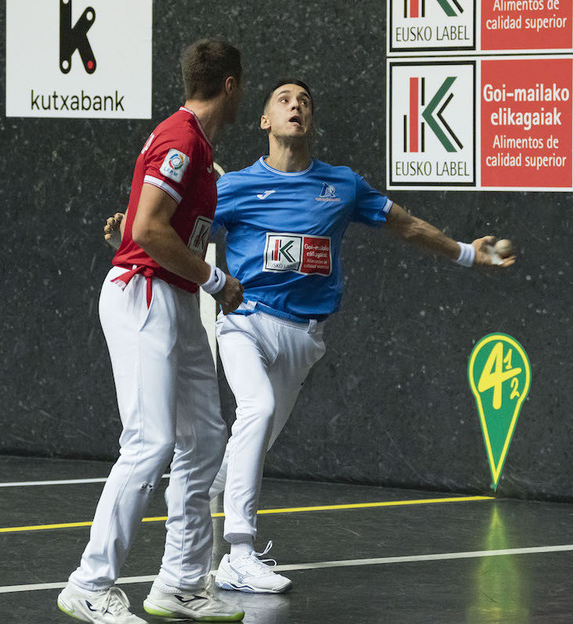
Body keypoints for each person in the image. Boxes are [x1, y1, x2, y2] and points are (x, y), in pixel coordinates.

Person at [207, 79, 516, 594]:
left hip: (303, 336)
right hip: (245, 322)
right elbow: (180, 231)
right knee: (256, 410)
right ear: (265, 121)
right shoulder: (235, 187)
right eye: (284, 100)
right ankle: (239, 553)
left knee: (255, 441)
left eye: (305, 101)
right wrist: (133, 232)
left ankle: (196, 501)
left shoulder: (342, 185)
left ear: (311, 120)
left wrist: (467, 253)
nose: (295, 106)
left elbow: (406, 225)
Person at [57, 39, 246, 624]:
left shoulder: (196, 145)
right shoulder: (181, 137)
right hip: (145, 293)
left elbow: (148, 225)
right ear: (232, 86)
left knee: (205, 439)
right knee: (150, 441)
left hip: (175, 297)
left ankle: (181, 583)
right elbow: (148, 228)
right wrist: (216, 279)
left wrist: (143, 238)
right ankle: (90, 584)